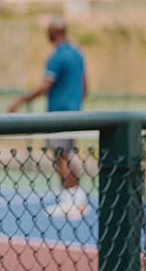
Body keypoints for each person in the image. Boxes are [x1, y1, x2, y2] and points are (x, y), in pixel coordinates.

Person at [8, 15, 90, 219]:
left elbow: (46, 85)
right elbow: (85, 85)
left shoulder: (56, 56)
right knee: (69, 154)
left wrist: (21, 100)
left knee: (61, 156)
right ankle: (76, 198)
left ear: (53, 33)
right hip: (74, 113)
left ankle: (69, 201)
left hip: (58, 114)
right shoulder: (78, 54)